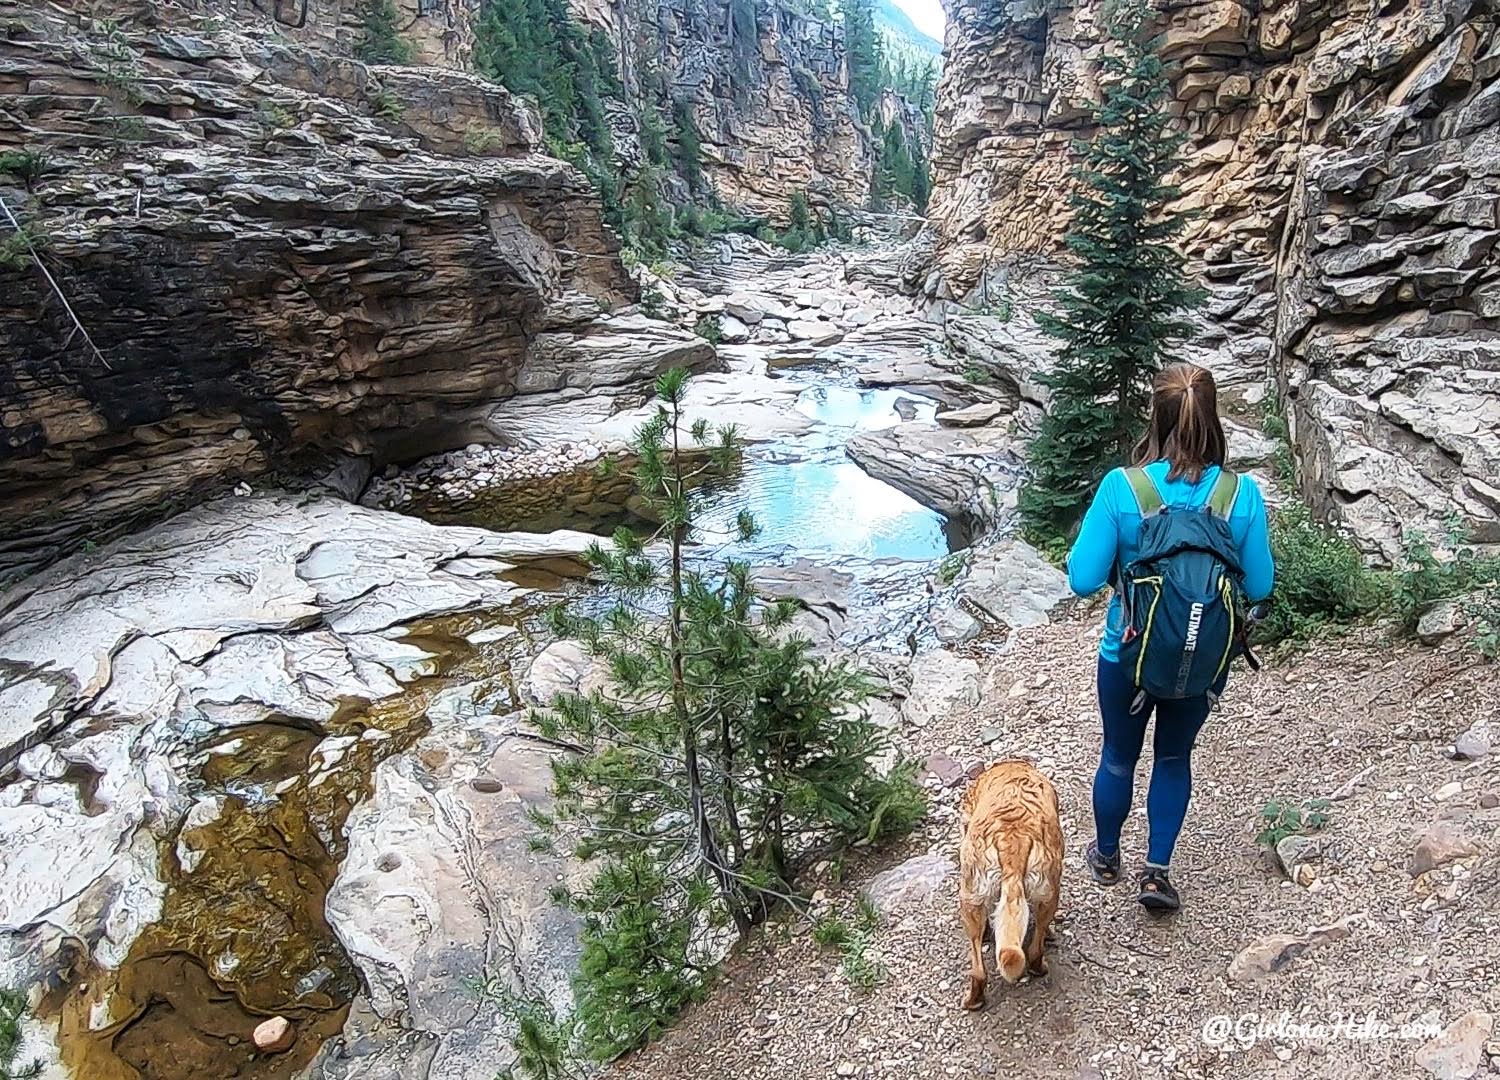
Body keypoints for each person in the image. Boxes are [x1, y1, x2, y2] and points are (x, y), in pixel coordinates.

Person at [1065, 362, 1274, 911]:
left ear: (1154, 417)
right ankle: (1156, 873)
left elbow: (1083, 578)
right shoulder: (1240, 494)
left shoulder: (1123, 487)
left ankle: (1107, 856)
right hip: (1202, 658)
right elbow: (1260, 583)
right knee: (1174, 758)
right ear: (1214, 419)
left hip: (1128, 653)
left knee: (1117, 756)